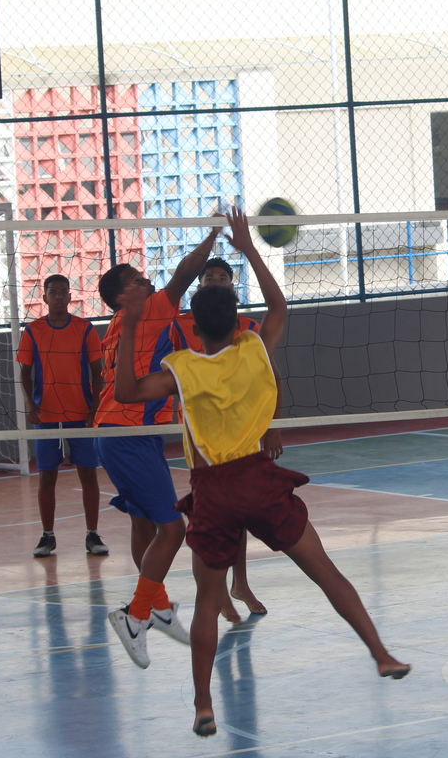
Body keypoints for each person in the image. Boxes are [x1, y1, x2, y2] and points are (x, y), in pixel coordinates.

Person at [113, 208, 410, 738]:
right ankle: (381, 653)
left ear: (193, 327)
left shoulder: (183, 368)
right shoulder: (253, 347)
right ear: (236, 320)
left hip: (213, 490)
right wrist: (248, 246)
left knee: (208, 601)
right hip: (259, 480)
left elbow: (126, 392)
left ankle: (203, 705)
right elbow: (277, 305)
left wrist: (131, 323)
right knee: (326, 572)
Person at [97, 227, 221, 664]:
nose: (146, 280)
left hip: (127, 432)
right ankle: (134, 615)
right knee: (173, 528)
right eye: (136, 280)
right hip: (127, 432)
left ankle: (160, 606)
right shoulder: (145, 312)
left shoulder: (117, 326)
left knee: (144, 524)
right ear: (123, 297)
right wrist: (213, 235)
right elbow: (185, 275)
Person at [162, 256, 279, 622]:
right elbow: (169, 373)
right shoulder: (181, 325)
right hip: (202, 426)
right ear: (198, 286)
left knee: (238, 512)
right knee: (211, 514)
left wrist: (272, 425)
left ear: (232, 283)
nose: (214, 281)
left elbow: (269, 374)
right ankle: (217, 593)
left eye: (221, 277)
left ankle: (239, 583)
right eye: (208, 277)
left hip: (241, 426)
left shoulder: (248, 329)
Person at [16, 274, 107, 558]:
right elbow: (24, 373)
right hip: (47, 417)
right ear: (44, 297)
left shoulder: (84, 328)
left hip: (81, 414)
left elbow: (98, 372)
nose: (58, 297)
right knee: (47, 477)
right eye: (53, 292)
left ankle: (92, 534)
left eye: (63, 292)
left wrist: (95, 408)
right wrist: (30, 405)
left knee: (88, 475)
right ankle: (47, 536)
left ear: (70, 296)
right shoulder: (33, 330)